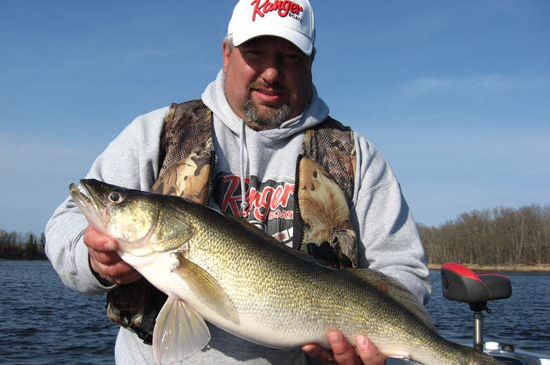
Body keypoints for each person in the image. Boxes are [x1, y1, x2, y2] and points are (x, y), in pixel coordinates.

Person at [46, 0, 431, 364]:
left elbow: (402, 272)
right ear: (227, 53)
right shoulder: (159, 133)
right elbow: (64, 227)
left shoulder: (355, 157)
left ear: (311, 62)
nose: (271, 72)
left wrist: (369, 348)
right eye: (255, 53)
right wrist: (93, 260)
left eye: (289, 57)